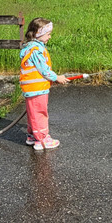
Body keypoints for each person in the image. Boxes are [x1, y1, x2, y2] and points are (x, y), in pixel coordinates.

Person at [19, 18, 68, 151]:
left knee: (33, 113)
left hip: (34, 88)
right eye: (48, 34)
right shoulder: (36, 50)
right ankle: (42, 139)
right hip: (36, 89)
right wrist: (56, 77)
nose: (50, 36)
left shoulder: (31, 47)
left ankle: (32, 136)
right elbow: (44, 70)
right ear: (38, 34)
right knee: (40, 113)